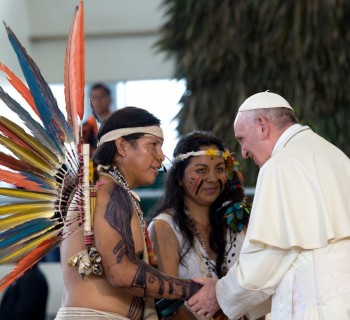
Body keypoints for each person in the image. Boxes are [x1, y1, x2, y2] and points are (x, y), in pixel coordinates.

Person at [187, 91, 350, 319]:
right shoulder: (336, 155)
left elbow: (267, 256)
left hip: (317, 306)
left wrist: (221, 293)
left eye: (242, 139)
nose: (242, 152)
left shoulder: (279, 166)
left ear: (262, 126)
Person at [57, 106, 202, 320]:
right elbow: (122, 273)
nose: (161, 156)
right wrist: (193, 289)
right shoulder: (107, 188)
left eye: (160, 146)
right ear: (122, 146)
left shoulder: (113, 189)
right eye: (153, 145)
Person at [148, 131, 250, 320]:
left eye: (219, 169)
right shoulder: (164, 227)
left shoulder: (238, 222)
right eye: (201, 170)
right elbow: (169, 304)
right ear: (179, 177)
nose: (212, 178)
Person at [82, 83, 113, 153]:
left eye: (101, 96)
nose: (98, 101)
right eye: (94, 97)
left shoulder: (120, 123)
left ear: (110, 99)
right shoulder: (85, 128)